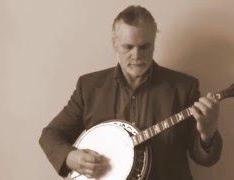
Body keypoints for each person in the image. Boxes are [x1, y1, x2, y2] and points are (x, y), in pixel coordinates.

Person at [39, 5, 222, 180]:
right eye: (128, 47)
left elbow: (203, 159)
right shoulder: (89, 87)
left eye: (145, 47)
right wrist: (71, 157)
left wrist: (207, 135)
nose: (137, 56)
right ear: (115, 44)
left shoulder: (183, 88)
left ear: (154, 43)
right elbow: (50, 135)